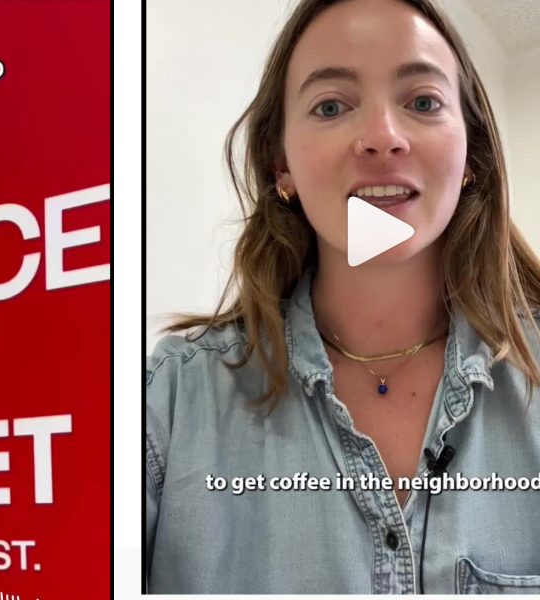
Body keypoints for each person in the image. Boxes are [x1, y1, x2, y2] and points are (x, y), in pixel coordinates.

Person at [145, 0, 540, 594]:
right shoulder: (167, 404)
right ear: (283, 166)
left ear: (471, 159)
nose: (382, 137)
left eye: (423, 102)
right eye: (331, 106)